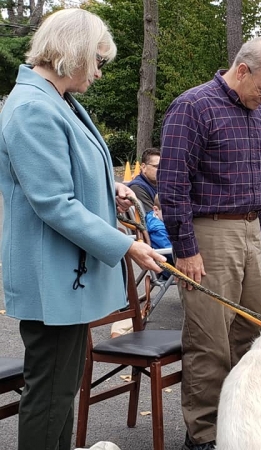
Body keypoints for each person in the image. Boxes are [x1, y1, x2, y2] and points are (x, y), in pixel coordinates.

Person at [0, 9, 164, 450]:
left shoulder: (56, 98)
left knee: (61, 386)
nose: (96, 70)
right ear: (70, 53)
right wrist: (127, 245)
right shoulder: (33, 107)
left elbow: (61, 172)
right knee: (50, 391)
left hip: (61, 278)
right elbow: (53, 202)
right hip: (47, 277)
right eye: (95, 59)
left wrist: (109, 187)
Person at [158, 37, 261, 450]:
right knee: (209, 341)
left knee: (251, 337)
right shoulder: (193, 107)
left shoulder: (258, 112)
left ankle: (243, 425)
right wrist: (185, 247)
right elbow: (172, 182)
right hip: (208, 234)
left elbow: (260, 173)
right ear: (242, 70)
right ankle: (205, 436)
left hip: (252, 231)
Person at [128, 147, 161, 212]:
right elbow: (151, 217)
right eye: (157, 166)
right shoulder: (137, 188)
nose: (161, 170)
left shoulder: (160, 184)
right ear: (143, 167)